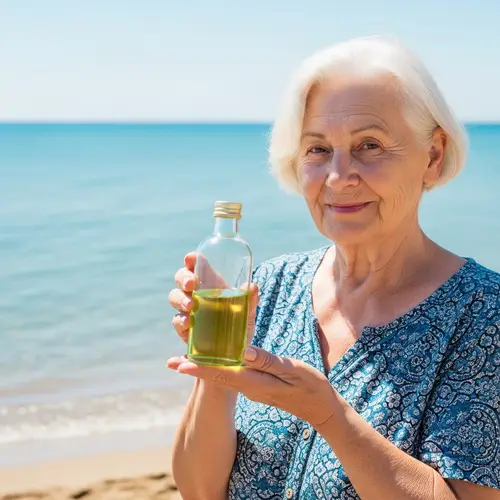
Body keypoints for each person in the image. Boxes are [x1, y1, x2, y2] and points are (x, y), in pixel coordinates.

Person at [166, 35, 500, 500]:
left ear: (433, 155)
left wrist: (330, 417)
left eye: (370, 144)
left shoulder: (484, 315)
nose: (339, 177)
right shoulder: (270, 285)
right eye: (318, 149)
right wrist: (215, 366)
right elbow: (200, 491)